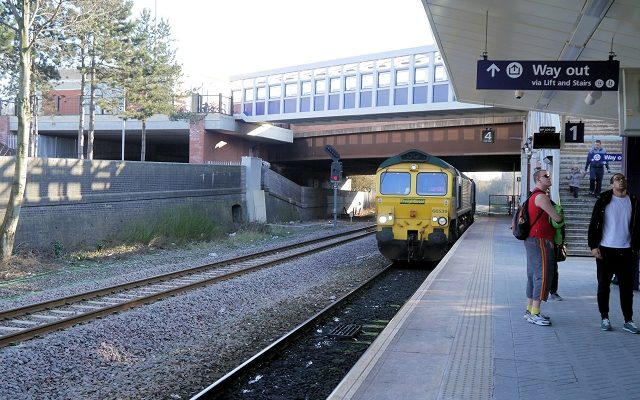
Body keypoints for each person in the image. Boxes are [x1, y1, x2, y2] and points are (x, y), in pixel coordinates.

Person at [588, 173, 640, 333]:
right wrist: (593, 246)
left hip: (627, 251)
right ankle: (605, 318)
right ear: (612, 184)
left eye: (623, 178)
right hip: (605, 250)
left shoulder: (634, 201)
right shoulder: (603, 200)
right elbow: (594, 223)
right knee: (603, 286)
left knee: (627, 288)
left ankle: (628, 320)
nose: (621, 181)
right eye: (617, 179)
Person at [523, 170, 563, 326]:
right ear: (537, 180)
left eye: (549, 175)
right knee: (543, 275)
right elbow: (557, 218)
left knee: (533, 275)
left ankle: (529, 310)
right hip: (541, 240)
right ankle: (535, 313)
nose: (549, 177)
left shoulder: (531, 196)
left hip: (532, 239)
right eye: (545, 176)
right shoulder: (541, 197)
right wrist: (559, 212)